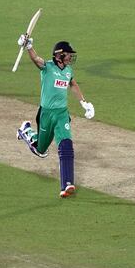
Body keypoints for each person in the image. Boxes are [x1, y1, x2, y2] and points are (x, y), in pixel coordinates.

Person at [15, 36, 95, 198]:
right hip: (46, 114)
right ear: (59, 55)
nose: (71, 57)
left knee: (66, 144)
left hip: (61, 114)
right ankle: (26, 132)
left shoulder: (68, 71)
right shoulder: (47, 67)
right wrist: (29, 46)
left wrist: (83, 103)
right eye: (68, 54)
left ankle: (67, 184)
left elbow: (73, 84)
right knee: (40, 150)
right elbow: (36, 59)